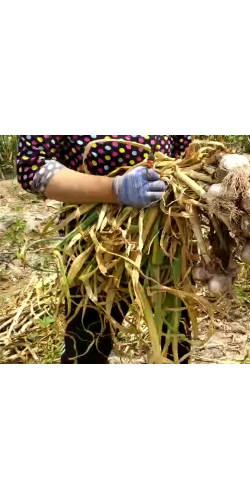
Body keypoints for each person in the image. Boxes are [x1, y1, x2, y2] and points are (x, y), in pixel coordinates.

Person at [16, 135, 192, 363]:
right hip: (97, 246)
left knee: (175, 345)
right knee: (88, 347)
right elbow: (32, 168)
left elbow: (185, 154)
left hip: (166, 238)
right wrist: (114, 189)